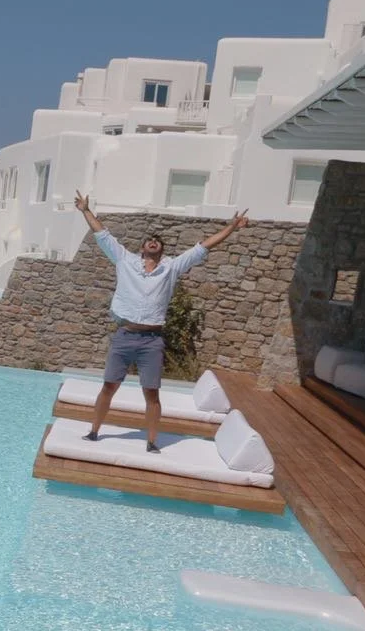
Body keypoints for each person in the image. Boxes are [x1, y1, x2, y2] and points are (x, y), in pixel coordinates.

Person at [74, 191, 247, 451]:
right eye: (149, 240)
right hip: (124, 335)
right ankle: (94, 432)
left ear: (161, 249)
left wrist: (232, 226)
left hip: (152, 340)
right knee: (109, 386)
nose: (153, 242)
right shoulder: (124, 260)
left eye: (157, 241)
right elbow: (103, 235)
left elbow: (205, 246)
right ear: (142, 247)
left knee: (151, 392)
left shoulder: (172, 267)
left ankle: (152, 441)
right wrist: (85, 210)